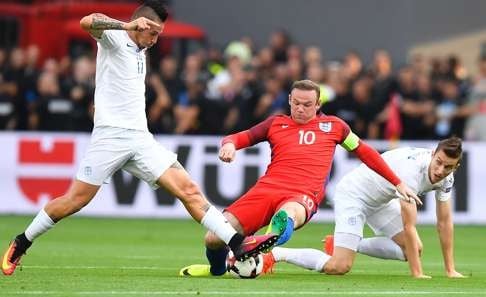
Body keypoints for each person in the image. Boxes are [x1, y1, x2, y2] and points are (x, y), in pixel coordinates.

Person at [1, 0, 277, 276]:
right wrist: (126, 25)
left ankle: (238, 244)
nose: (156, 40)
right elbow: (88, 21)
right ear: (140, 25)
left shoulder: (141, 51)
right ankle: (22, 242)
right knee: (74, 201)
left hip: (140, 139)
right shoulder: (113, 39)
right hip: (109, 138)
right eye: (153, 33)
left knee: (189, 190)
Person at [179, 79, 419, 277]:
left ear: (318, 104)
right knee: (213, 238)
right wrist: (229, 146)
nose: (300, 109)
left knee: (287, 216)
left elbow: (366, 153)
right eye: (296, 103)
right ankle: (219, 270)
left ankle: (257, 248)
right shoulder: (275, 124)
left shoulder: (334, 127)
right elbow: (238, 137)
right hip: (266, 190)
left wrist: (397, 182)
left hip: (302, 195)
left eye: (307, 104)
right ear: (290, 101)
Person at [262, 137, 465, 278]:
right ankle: (277, 254)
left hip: (381, 201)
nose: (440, 170)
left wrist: (450, 269)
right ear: (432, 154)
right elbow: (409, 224)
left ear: (455, 166)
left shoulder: (447, 177)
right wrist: (417, 273)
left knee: (412, 250)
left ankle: (345, 244)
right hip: (354, 194)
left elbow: (445, 222)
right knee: (339, 266)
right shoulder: (412, 170)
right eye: (438, 162)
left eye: (448, 166)